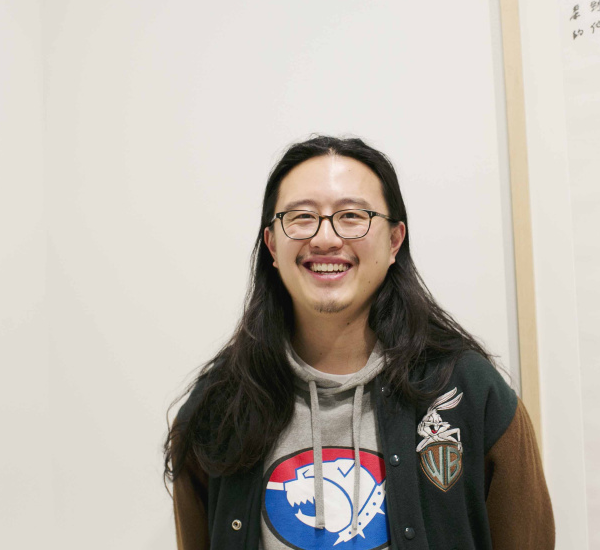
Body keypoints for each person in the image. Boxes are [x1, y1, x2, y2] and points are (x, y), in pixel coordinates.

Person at [164, 136, 555, 549]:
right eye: (301, 217)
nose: (325, 238)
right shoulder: (217, 407)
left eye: (352, 216)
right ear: (272, 245)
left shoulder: (470, 394)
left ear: (394, 241)